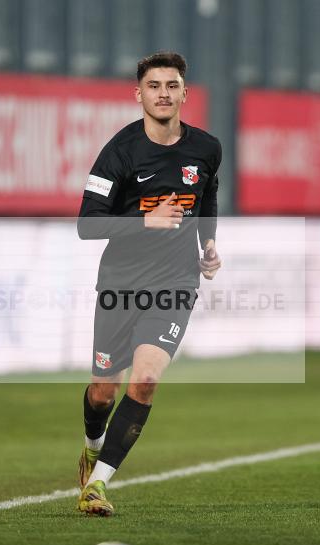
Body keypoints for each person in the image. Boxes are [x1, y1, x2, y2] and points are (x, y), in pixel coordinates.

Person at [75, 51, 223, 516]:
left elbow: (208, 196)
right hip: (120, 283)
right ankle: (92, 445)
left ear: (185, 93)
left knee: (146, 378)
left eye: (172, 85)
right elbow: (87, 225)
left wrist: (209, 245)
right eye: (154, 85)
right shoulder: (119, 152)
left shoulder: (207, 148)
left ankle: (97, 486)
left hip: (175, 282)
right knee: (104, 390)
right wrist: (145, 220)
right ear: (139, 94)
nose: (163, 93)